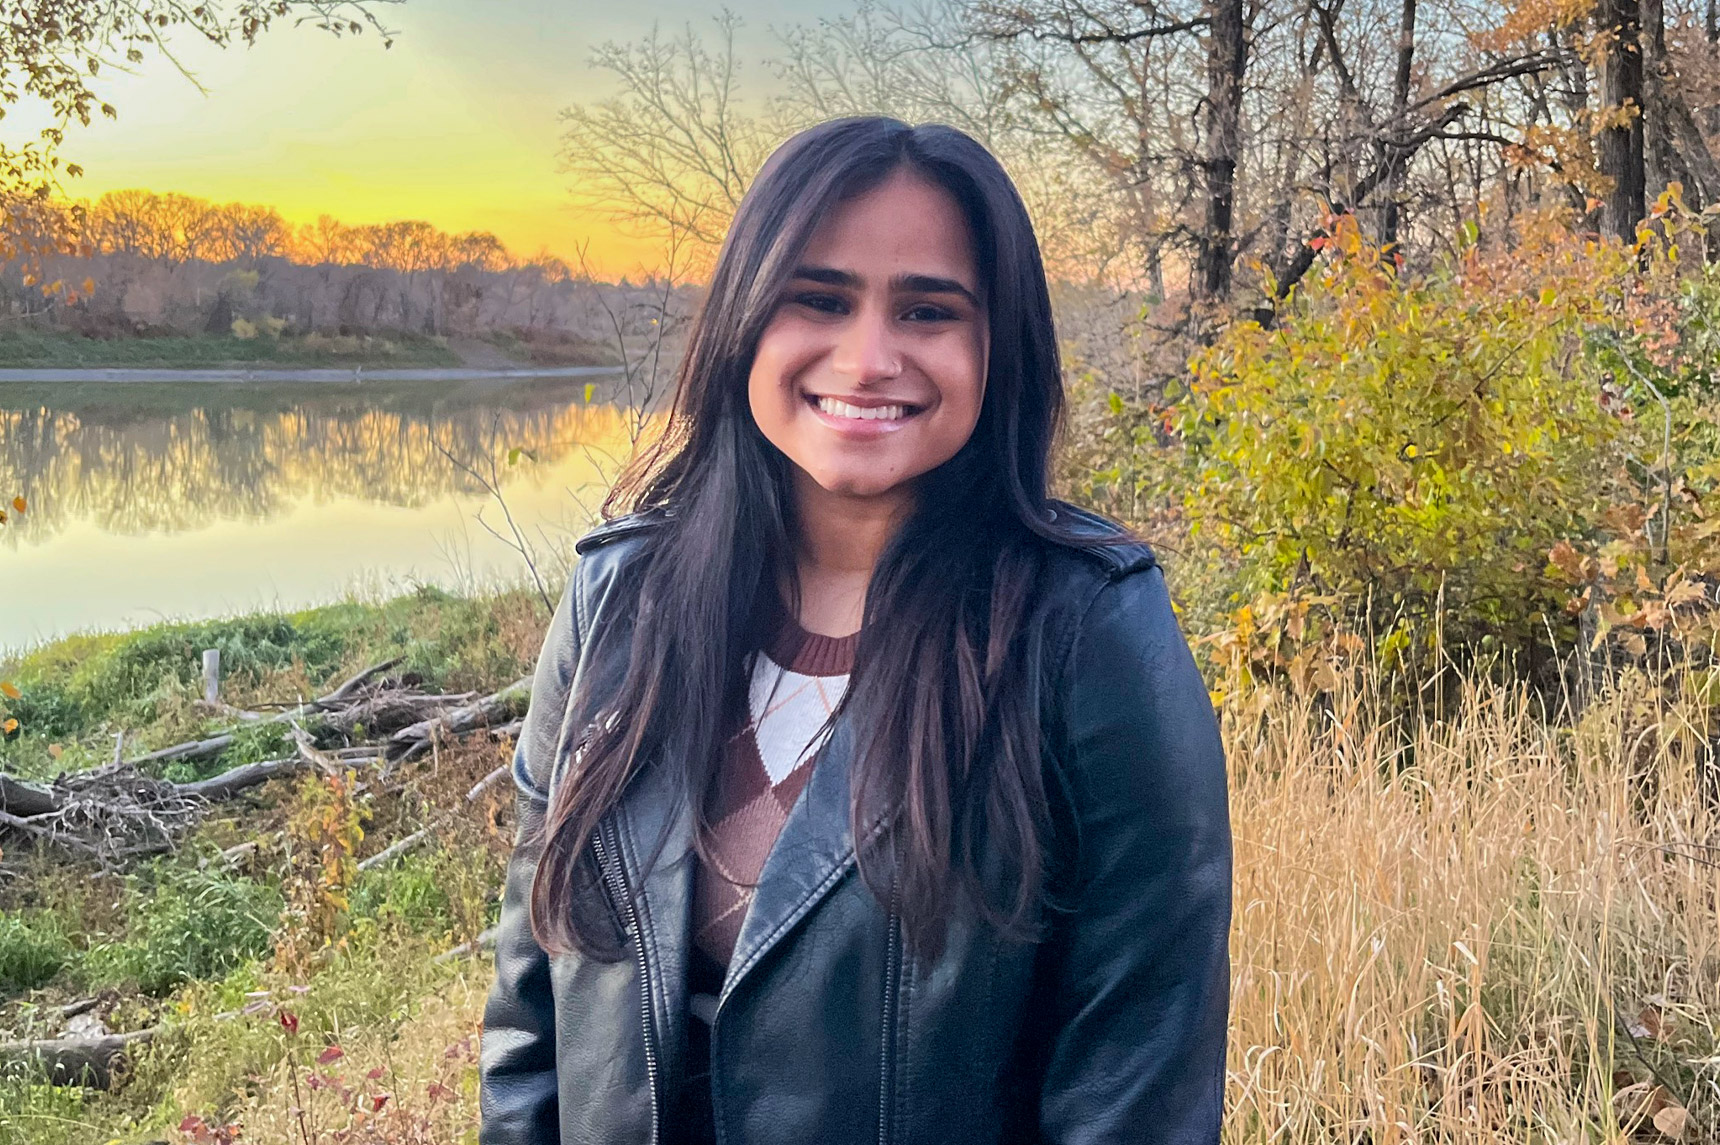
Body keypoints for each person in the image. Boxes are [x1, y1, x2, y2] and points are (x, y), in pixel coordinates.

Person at [479, 115, 1231, 1145]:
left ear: (994, 348)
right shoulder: (620, 599)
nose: (869, 357)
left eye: (927, 310)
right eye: (820, 298)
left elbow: (1137, 1084)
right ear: (747, 319)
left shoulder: (1088, 630)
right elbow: (529, 1020)